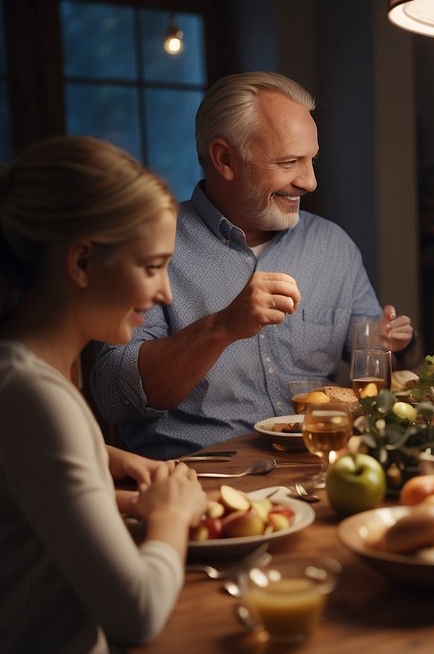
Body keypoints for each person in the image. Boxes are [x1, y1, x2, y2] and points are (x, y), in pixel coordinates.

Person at [0, 137, 211, 654]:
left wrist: (98, 469)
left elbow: (22, 509)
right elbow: (136, 614)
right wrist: (171, 518)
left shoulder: (11, 367)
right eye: (151, 266)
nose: (165, 293)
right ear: (82, 262)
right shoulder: (28, 396)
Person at [91, 72, 414, 458]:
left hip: (317, 465)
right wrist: (222, 326)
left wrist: (387, 343)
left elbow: (371, 359)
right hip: (201, 477)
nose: (310, 182)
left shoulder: (334, 246)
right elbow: (113, 395)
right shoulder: (149, 244)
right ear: (225, 159)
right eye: (290, 161)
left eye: (311, 160)